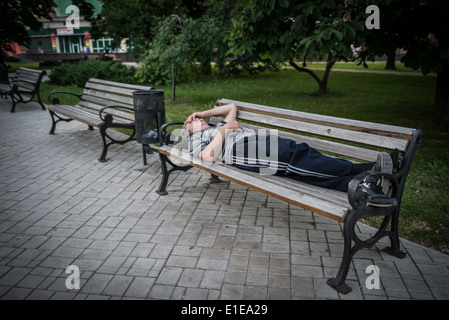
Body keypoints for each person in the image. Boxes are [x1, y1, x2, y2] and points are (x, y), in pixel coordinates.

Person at [183, 103, 398, 204]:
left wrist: (205, 112)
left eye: (196, 117)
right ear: (188, 129)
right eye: (192, 121)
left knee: (300, 172)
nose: (196, 119)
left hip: (254, 143)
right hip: (240, 150)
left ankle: (364, 187)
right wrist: (224, 130)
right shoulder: (195, 139)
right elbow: (207, 157)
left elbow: (231, 107)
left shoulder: (216, 124)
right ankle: (365, 169)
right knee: (296, 155)